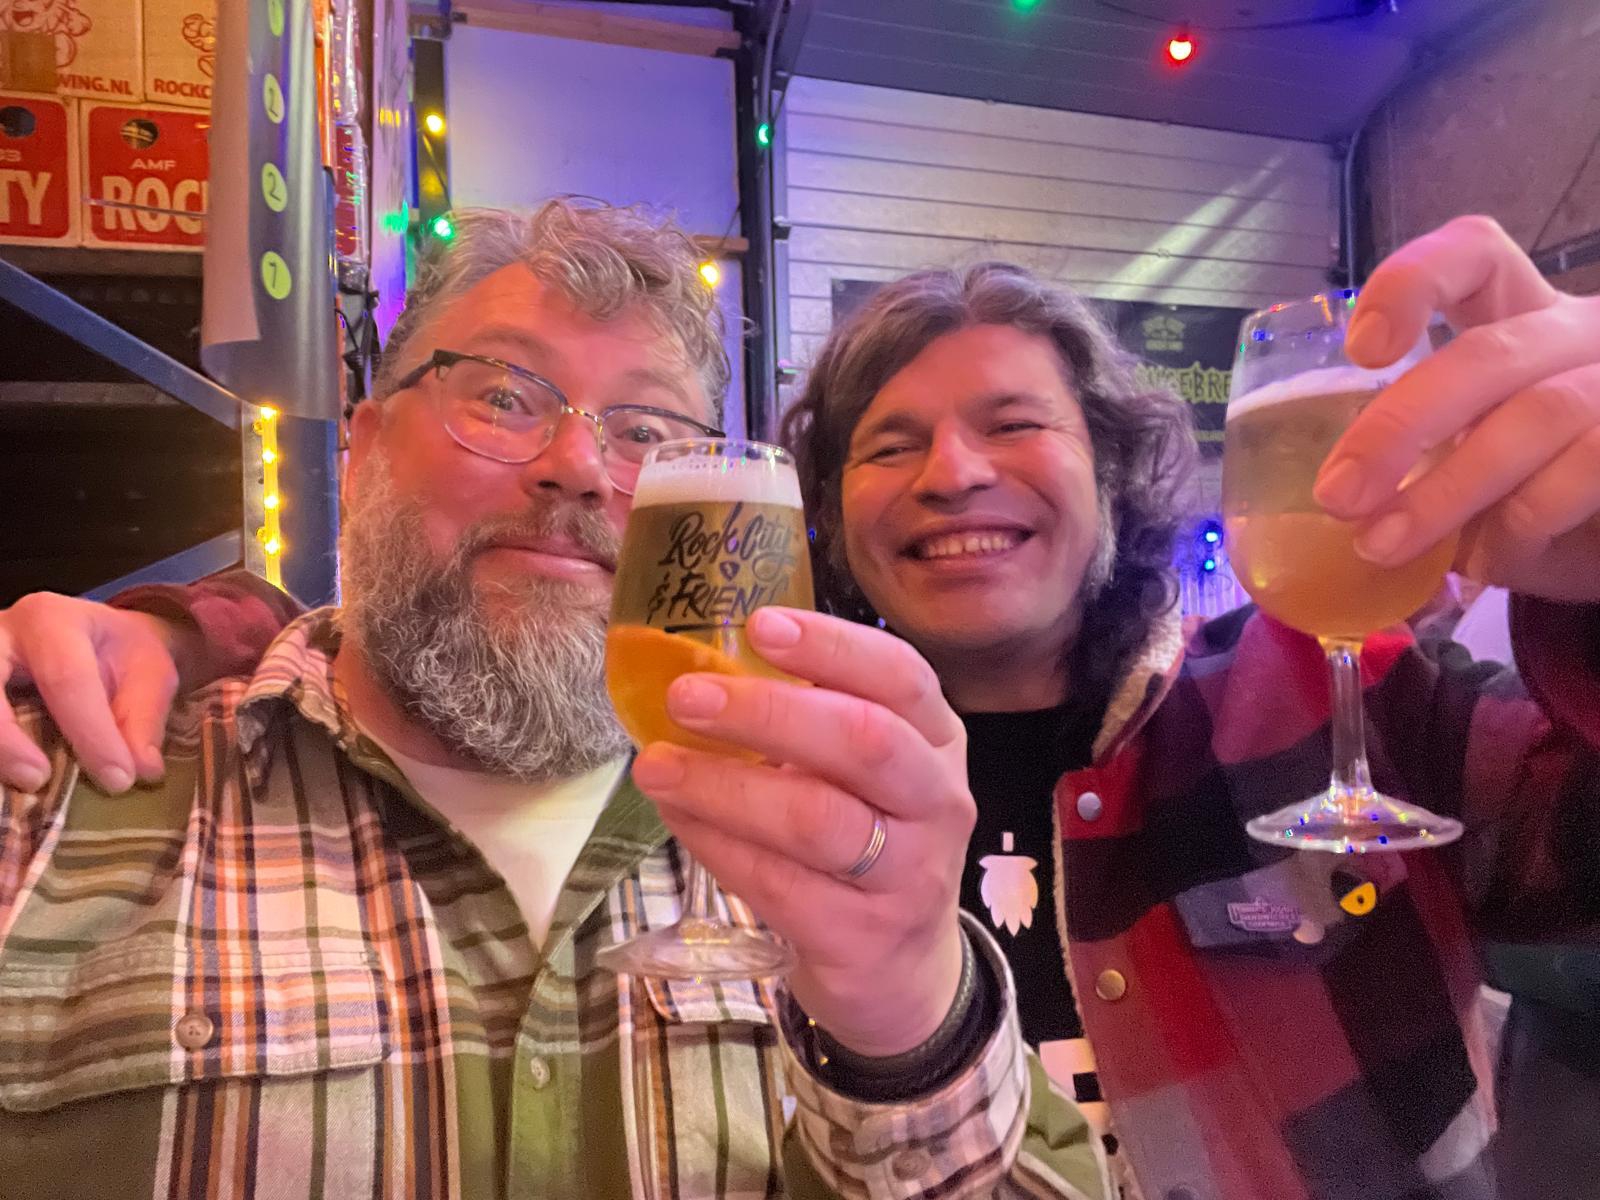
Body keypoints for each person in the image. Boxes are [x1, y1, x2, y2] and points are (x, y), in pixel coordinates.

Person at [5, 214, 1600, 1199]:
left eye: (1014, 424)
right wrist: (194, 628)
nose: (955, 474)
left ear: (1115, 471)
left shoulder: (1318, 706)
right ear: (810, 521)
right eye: (500, 396)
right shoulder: (779, 788)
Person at [0, 201, 1110, 1200]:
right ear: (364, 446)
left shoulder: (830, 857)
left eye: (645, 432)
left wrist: (910, 1036)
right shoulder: (49, 782)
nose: (578, 464)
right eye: (501, 395)